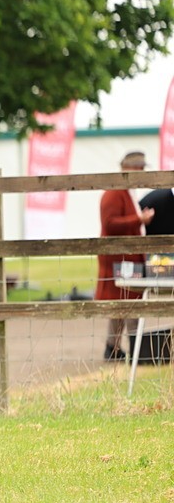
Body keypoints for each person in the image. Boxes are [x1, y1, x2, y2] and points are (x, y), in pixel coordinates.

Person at [96, 151, 154, 361]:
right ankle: (135, 348)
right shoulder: (115, 193)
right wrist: (139, 219)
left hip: (124, 257)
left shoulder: (124, 191)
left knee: (122, 304)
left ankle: (114, 347)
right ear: (133, 169)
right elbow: (110, 223)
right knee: (127, 302)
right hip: (119, 258)